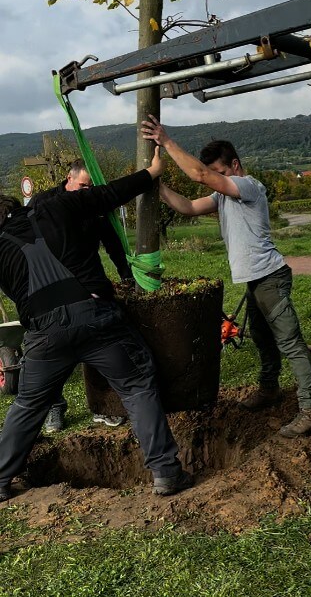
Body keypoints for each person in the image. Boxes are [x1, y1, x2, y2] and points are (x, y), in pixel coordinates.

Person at [0, 147, 192, 503]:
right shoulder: (54, 206)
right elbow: (108, 194)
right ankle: (166, 473)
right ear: (14, 207)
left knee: (28, 404)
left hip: (44, 333)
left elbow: (17, 290)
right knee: (136, 385)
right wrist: (151, 172)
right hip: (93, 316)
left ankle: (0, 479)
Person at [141, 115, 311, 438]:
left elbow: (199, 175)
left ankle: (310, 409)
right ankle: (269, 389)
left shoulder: (248, 186)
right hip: (255, 282)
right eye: (215, 174)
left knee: (290, 342)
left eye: (220, 173)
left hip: (270, 277)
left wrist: (166, 142)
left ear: (235, 166)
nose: (214, 179)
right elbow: (187, 207)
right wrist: (156, 184)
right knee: (265, 341)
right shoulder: (223, 196)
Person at [30, 160, 132, 432]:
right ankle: (54, 407)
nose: (88, 191)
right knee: (53, 350)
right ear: (69, 179)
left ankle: (104, 406)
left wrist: (126, 276)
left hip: (89, 284)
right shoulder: (45, 203)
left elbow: (113, 245)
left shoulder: (95, 207)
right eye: (84, 186)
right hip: (53, 285)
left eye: (91, 187)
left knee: (99, 344)